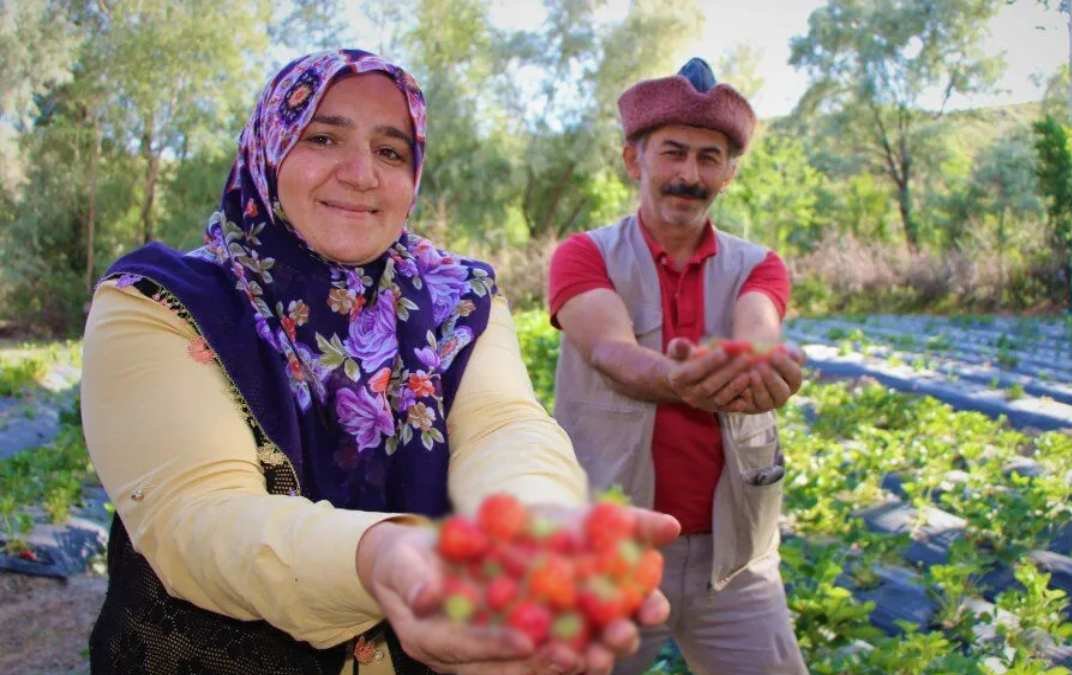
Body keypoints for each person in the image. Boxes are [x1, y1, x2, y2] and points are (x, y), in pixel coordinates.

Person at [81, 49, 678, 675]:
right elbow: (200, 516)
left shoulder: (456, 296)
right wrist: (377, 555)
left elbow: (505, 425)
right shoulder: (160, 300)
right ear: (268, 146)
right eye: (322, 137)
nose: (362, 172)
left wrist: (531, 521)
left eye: (391, 151)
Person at [548, 57, 808, 675]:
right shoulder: (583, 256)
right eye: (674, 153)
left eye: (709, 158)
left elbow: (756, 339)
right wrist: (681, 379)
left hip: (735, 560)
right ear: (634, 160)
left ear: (729, 175)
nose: (689, 175)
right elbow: (612, 352)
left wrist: (756, 369)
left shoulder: (759, 266)